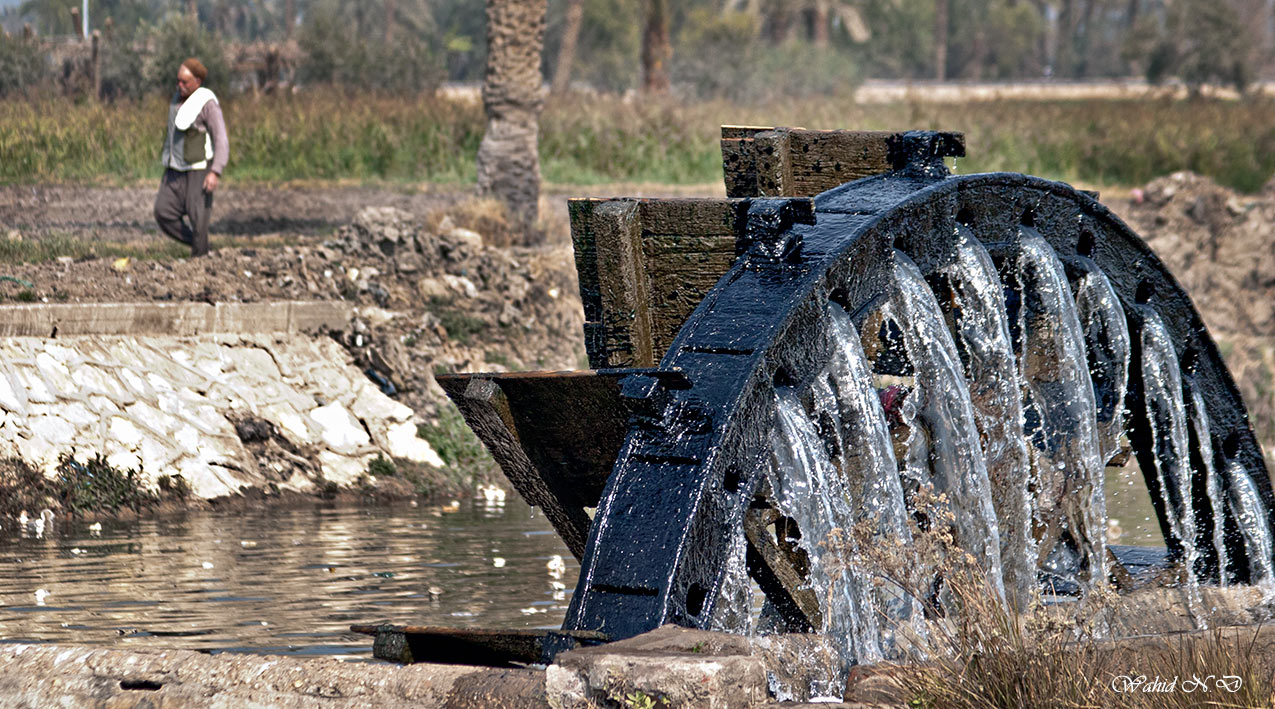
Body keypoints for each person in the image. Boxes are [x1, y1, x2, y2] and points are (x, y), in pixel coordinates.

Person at [154, 58, 228, 257]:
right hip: (174, 170)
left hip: (198, 171)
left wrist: (215, 171)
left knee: (199, 221)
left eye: (184, 82)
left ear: (198, 81)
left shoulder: (208, 104)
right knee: (163, 212)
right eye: (178, 81)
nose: (179, 85)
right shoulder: (177, 98)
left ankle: (201, 264)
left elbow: (221, 139)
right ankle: (198, 243)